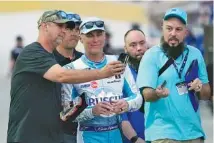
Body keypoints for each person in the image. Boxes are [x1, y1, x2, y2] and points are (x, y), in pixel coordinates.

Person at [7, 10, 124, 143]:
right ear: (45, 26)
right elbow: (61, 75)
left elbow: (60, 107)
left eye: (69, 27)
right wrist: (102, 73)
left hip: (55, 136)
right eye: (60, 26)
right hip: (27, 137)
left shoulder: (52, 58)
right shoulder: (32, 52)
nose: (64, 31)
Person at [61, 17, 143, 143]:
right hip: (88, 135)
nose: (95, 40)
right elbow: (67, 112)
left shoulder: (118, 63)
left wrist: (126, 104)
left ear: (105, 36)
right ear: (80, 38)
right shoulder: (71, 68)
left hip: (116, 134)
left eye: (99, 34)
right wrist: (93, 111)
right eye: (90, 35)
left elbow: (137, 97)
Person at [137, 8, 211, 143]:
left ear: (185, 32)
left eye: (178, 29)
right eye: (169, 28)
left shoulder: (195, 54)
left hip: (193, 132)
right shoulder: (151, 55)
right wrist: (157, 93)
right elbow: (146, 94)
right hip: (163, 133)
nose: (173, 33)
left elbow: (207, 94)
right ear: (162, 28)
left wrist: (200, 87)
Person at [53, 12, 83, 143]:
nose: (74, 33)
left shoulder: (85, 60)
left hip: (83, 130)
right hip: (55, 133)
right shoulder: (47, 60)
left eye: (77, 29)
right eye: (69, 28)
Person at [120, 29, 148, 143]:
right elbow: (120, 114)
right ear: (125, 48)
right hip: (132, 138)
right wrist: (135, 139)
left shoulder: (157, 70)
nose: (139, 48)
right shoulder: (119, 73)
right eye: (133, 45)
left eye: (142, 43)